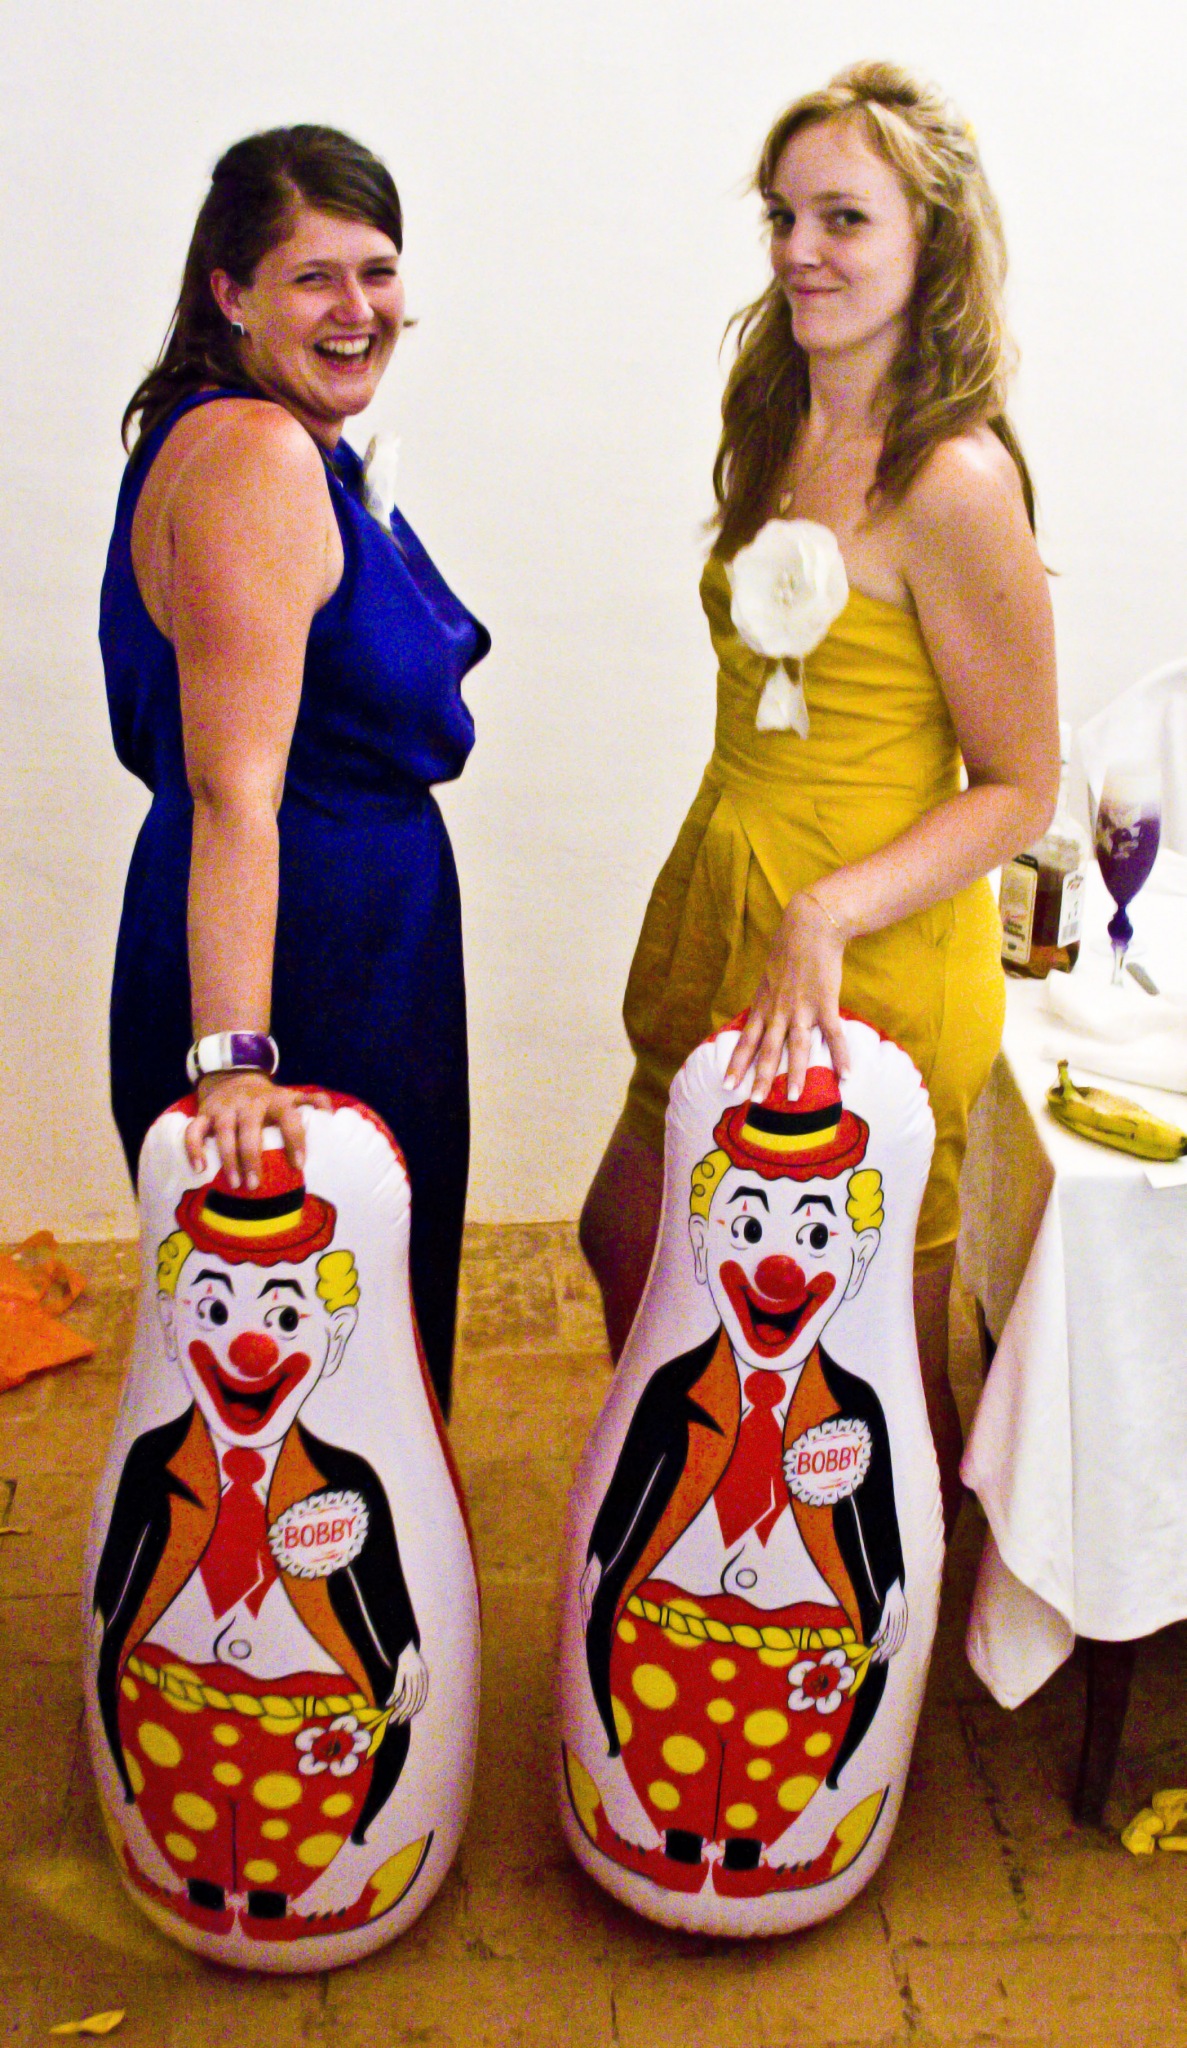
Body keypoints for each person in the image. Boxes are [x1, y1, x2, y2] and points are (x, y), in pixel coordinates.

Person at [579, 62, 1058, 1534]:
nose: (800, 250)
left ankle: (885, 1610)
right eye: (783, 216)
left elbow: (1021, 786)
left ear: (931, 241)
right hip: (727, 908)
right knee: (630, 1237)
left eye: (843, 218)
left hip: (867, 954)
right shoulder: (775, 410)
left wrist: (827, 915)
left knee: (874, 1346)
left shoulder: (955, 480)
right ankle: (712, 1558)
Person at [102, 126, 490, 1415]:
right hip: (304, 970)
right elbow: (236, 792)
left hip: (359, 945)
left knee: (331, 1366)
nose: (357, 309)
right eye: (314, 277)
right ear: (231, 292)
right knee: (312, 1372)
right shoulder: (259, 457)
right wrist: (234, 1061)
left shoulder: (264, 437)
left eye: (377, 271)